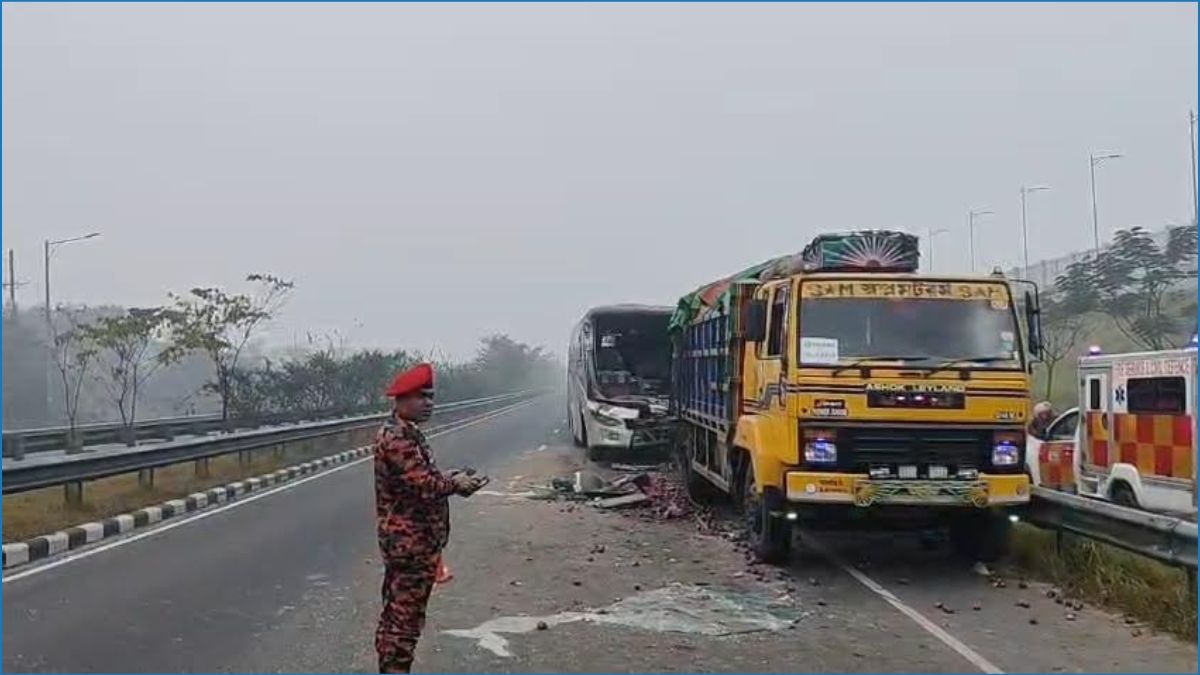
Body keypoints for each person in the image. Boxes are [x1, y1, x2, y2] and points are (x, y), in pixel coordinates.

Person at [374, 363, 485, 674]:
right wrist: (455, 484)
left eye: (431, 397)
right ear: (401, 400)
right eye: (421, 396)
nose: (429, 403)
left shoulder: (408, 433)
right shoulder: (397, 438)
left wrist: (450, 477)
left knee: (397, 616)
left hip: (414, 543)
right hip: (410, 546)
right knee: (404, 621)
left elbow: (421, 478)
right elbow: (422, 484)